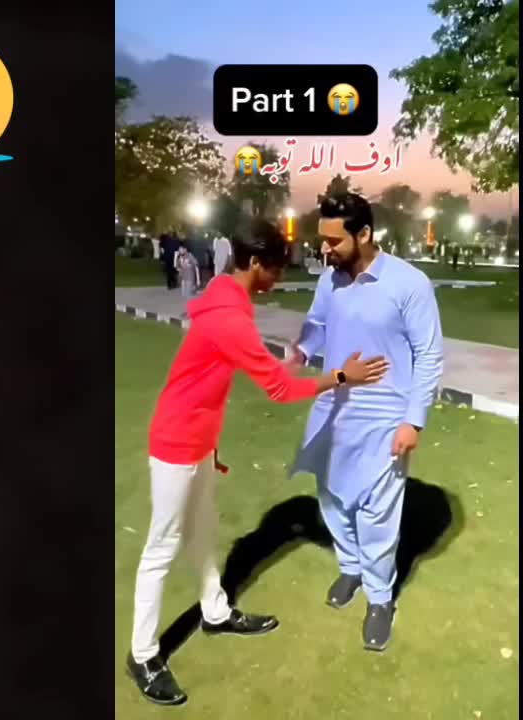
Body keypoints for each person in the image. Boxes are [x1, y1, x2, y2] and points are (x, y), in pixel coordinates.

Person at [127, 217, 389, 706]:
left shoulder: (226, 296)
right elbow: (280, 390)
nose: (278, 277)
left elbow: (252, 367)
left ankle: (215, 611)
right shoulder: (230, 316)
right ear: (252, 263)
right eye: (274, 268)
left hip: (199, 440)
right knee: (162, 547)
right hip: (176, 442)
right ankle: (142, 655)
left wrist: (280, 364)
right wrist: (341, 376)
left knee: (203, 533)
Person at [287, 192, 444, 653]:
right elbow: (318, 325)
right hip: (333, 411)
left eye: (334, 241)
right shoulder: (329, 280)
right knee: (333, 498)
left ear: (365, 234)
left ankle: (379, 598)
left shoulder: (408, 284)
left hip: (385, 417)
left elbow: (429, 355)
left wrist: (413, 421)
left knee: (378, 513)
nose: (325, 249)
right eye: (323, 239)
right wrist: (301, 350)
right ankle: (350, 567)